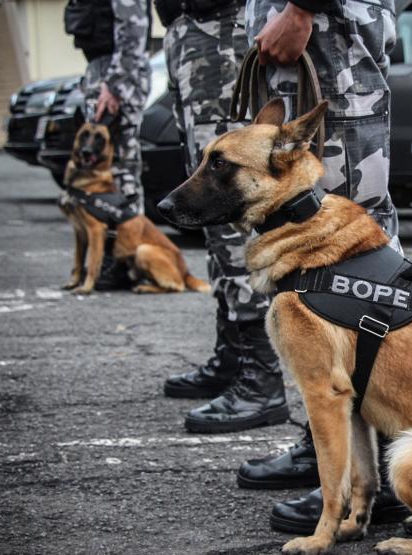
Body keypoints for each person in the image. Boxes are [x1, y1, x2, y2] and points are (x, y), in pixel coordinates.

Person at [235, 0, 409, 534]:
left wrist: (302, 8)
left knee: (353, 240)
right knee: (307, 254)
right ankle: (328, 447)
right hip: (303, 36)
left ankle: (380, 472)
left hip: (327, 32)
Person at [156, 0, 290, 434]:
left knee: (226, 200)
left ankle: (262, 376)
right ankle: (233, 354)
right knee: (205, 208)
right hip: (186, 30)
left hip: (220, 31)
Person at [65, 0, 151, 213]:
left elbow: (133, 28)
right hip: (102, 69)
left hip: (115, 74)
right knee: (101, 166)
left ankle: (127, 226)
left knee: (120, 166)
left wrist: (115, 83)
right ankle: (110, 229)